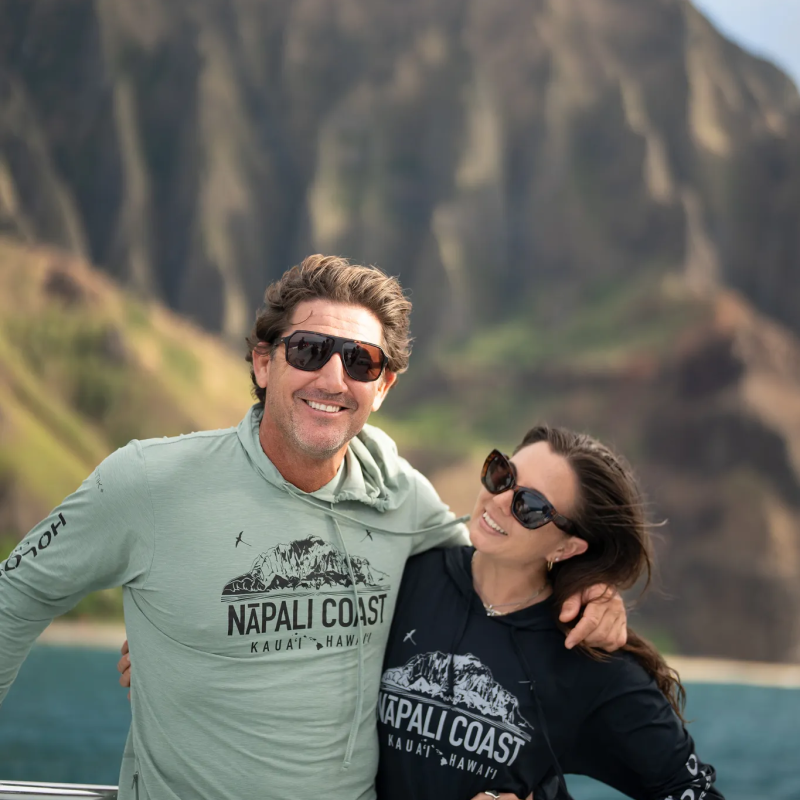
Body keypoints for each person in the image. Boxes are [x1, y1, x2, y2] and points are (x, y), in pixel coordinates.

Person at [0, 255, 626, 800]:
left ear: (382, 387)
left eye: (361, 361)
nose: (332, 378)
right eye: (308, 350)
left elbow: (497, 578)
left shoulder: (403, 498)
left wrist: (589, 589)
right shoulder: (147, 481)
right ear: (264, 361)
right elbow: (14, 597)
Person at [375, 425, 724, 800]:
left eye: (530, 506)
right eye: (502, 474)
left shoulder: (581, 654)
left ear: (568, 547)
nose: (500, 500)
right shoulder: (408, 574)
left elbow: (693, 792)